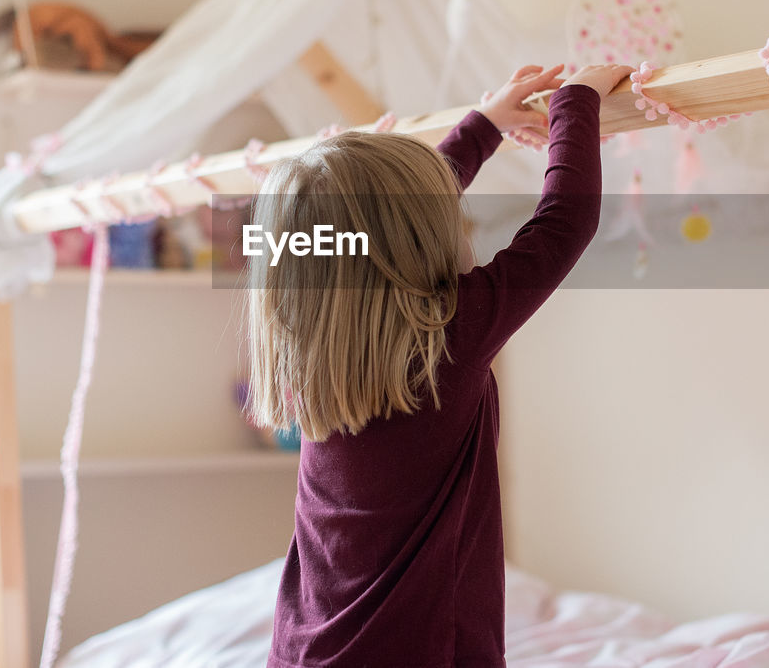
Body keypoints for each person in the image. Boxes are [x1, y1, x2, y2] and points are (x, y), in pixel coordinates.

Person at [248, 62, 632, 667]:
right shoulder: (448, 336)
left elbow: (370, 233)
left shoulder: (308, 343)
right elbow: (564, 222)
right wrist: (574, 103)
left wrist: (485, 126)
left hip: (305, 650)